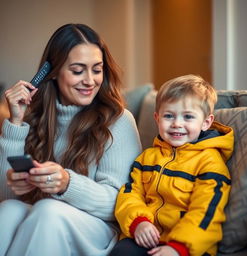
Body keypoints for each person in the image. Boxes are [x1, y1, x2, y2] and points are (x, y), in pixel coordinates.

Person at [0, 23, 142, 256]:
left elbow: (120, 203)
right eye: (78, 70)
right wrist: (15, 122)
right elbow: (5, 195)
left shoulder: (118, 120)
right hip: (44, 220)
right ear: (52, 72)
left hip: (99, 229)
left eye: (97, 69)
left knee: (48, 210)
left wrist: (67, 184)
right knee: (8, 210)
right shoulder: (36, 116)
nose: (90, 80)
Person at [110, 74, 234, 256]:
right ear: (157, 118)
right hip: (146, 236)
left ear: (206, 122)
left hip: (189, 246)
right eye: (169, 115)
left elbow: (207, 212)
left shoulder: (210, 162)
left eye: (188, 117)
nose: (177, 124)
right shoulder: (147, 158)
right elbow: (129, 193)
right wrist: (139, 222)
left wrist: (178, 248)